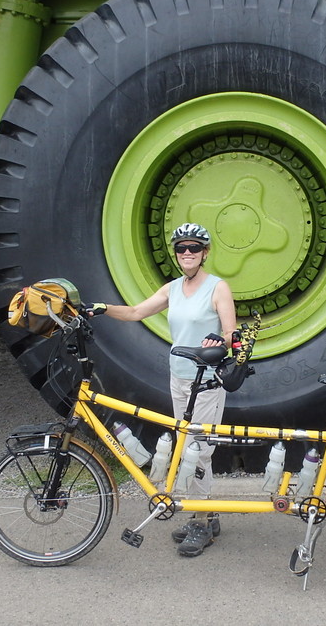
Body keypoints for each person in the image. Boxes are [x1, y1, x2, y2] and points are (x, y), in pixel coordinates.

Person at [95, 223, 236, 557]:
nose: (187, 254)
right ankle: (208, 514)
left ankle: (201, 524)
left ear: (205, 252)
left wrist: (219, 340)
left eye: (194, 248)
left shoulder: (218, 288)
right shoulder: (172, 289)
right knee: (189, 445)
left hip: (207, 380)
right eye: (181, 249)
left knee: (196, 451)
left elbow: (232, 333)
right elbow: (134, 312)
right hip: (179, 378)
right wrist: (100, 309)